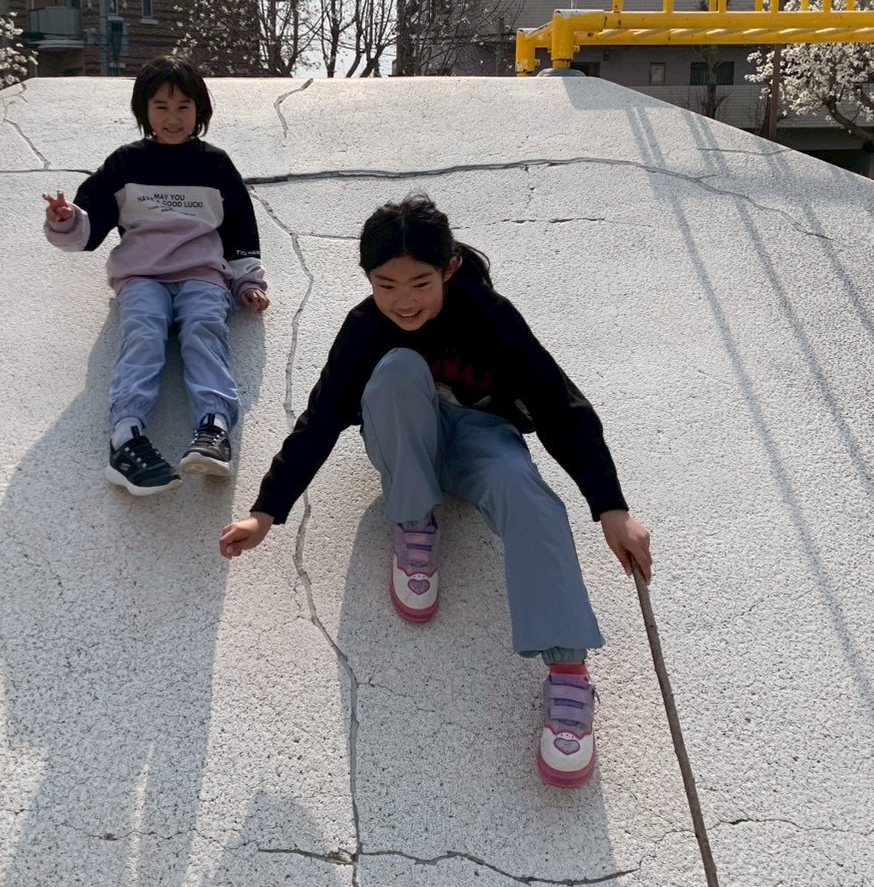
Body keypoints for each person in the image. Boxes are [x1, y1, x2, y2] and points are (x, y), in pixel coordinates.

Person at [218, 194, 651, 788]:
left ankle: (569, 674)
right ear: (367, 279)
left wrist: (611, 507)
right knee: (396, 369)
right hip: (406, 445)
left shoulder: (489, 314)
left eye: (420, 283)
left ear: (448, 268)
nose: (404, 301)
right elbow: (321, 418)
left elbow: (559, 404)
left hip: (482, 438)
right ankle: (414, 522)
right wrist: (266, 511)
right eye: (386, 285)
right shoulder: (365, 327)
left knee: (525, 490)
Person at [44, 56, 269, 496]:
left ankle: (214, 427)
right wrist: (66, 218)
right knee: (144, 332)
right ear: (143, 110)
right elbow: (90, 224)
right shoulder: (125, 163)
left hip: (202, 273)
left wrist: (248, 281)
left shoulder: (216, 165)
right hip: (142, 276)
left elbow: (241, 226)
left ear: (199, 110)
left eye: (183, 106)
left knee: (204, 329)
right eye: (161, 107)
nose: (173, 118)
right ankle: (126, 437)